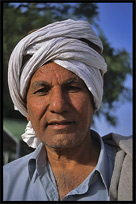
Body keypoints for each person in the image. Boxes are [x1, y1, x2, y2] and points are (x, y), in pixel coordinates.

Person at [3, 19, 132, 201]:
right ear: (26, 109)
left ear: (93, 99)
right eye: (42, 91)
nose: (58, 105)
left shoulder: (127, 174)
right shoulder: (6, 184)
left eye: (73, 88)